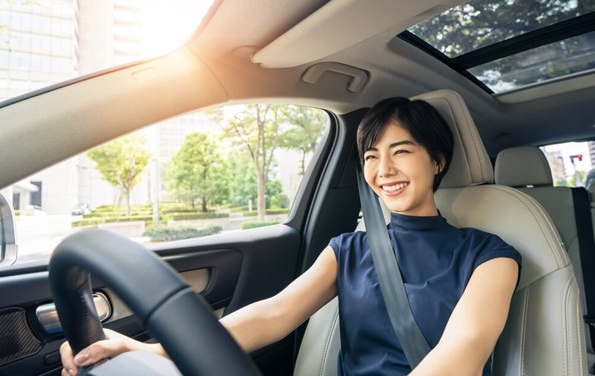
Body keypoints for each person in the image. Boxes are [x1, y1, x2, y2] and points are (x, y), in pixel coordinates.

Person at [60, 97, 521, 376]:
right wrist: (152, 348)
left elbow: (464, 352)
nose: (384, 171)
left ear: (437, 160)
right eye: (371, 156)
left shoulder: (489, 254)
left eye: (402, 151)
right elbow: (273, 315)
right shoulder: (349, 249)